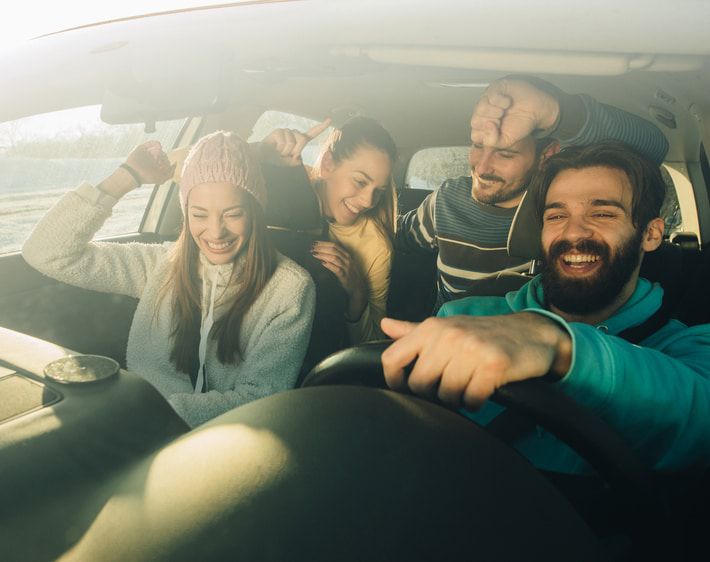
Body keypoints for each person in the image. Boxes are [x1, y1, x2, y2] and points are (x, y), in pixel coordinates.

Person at [381, 141, 710, 474]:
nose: (573, 232)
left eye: (602, 213)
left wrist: (558, 344)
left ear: (651, 234)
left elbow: (699, 417)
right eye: (556, 215)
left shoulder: (684, 346)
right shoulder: (464, 317)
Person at [23, 132, 316, 428]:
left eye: (233, 214)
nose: (215, 232)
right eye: (199, 215)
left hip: (222, 442)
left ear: (256, 211)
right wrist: (126, 177)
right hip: (138, 432)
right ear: (185, 213)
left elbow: (261, 397)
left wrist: (145, 416)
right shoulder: (159, 264)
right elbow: (46, 252)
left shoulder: (290, 287)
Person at [397, 76, 670, 310]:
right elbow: (395, 236)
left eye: (506, 153)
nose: (481, 166)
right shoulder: (447, 199)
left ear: (546, 154)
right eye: (478, 146)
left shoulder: (563, 211)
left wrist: (559, 114)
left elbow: (652, 147)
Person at [259, 116, 398, 344]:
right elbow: (180, 165)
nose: (367, 201)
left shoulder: (376, 246)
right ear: (327, 165)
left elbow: (371, 345)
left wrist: (357, 294)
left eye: (379, 191)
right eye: (361, 182)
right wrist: (260, 152)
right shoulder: (288, 180)